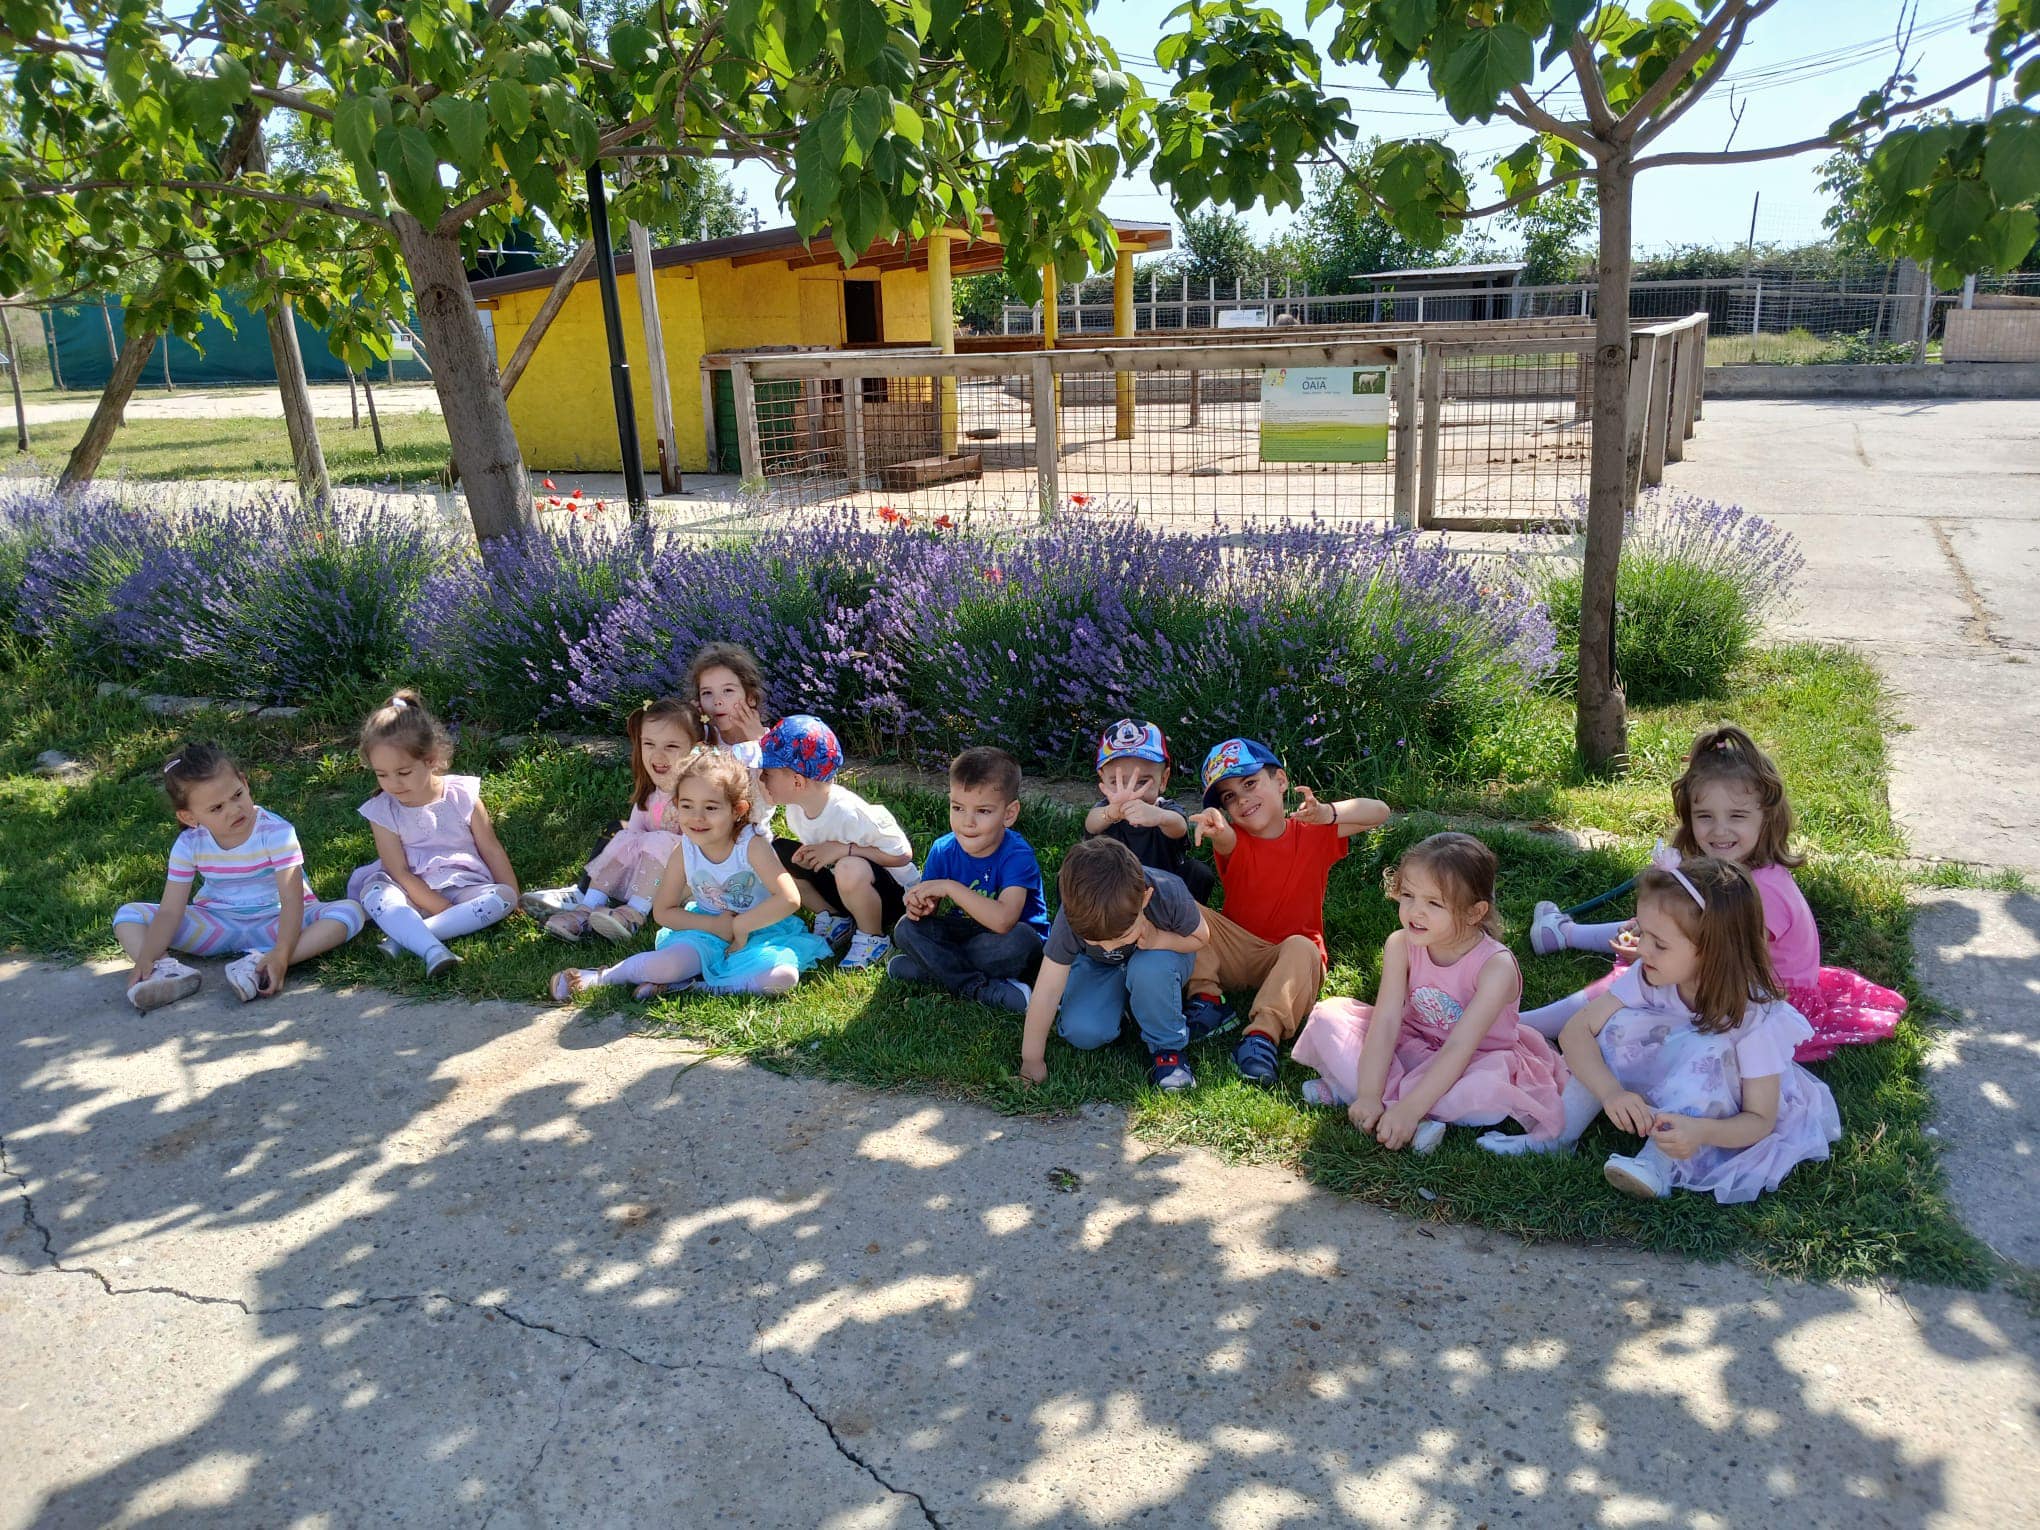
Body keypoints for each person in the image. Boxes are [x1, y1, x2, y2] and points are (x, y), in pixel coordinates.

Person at [1523, 725, 1906, 1061]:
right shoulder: (1731, 871)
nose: (1719, 831)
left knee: (1643, 975)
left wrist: (1649, 953)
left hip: (1757, 1004)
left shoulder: (1763, 892)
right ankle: (1565, 934)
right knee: (1663, 926)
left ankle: (1532, 1024)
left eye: (1737, 816)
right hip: (1737, 979)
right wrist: (1650, 938)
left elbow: (1723, 966)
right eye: (1705, 816)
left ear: (1766, 817)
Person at [1483, 855, 1843, 1203]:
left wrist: (1700, 1131)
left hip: (1719, 1101)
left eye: (1659, 943)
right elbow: (1576, 1031)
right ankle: (1557, 1135)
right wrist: (1611, 1093)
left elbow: (1759, 1120)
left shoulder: (1754, 1016)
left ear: (1713, 950)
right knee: (1617, 1026)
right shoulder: (1649, 975)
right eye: (1643, 934)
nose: (1642, 949)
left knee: (1708, 1051)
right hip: (1672, 1063)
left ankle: (1657, 1163)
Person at [1292, 833, 1568, 1153]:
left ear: (1474, 912)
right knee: (1328, 1016)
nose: (1415, 911)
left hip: (1475, 1059)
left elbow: (1460, 1048)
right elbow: (1386, 1023)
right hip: (1411, 1043)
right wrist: (1368, 1093)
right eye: (1408, 895)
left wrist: (1409, 1110)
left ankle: (1371, 1098)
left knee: (1486, 1094)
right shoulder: (1401, 944)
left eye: (1433, 903)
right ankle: (1381, 1102)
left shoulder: (1496, 967)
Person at [550, 746, 832, 1001]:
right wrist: (715, 926)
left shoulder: (752, 845)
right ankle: (599, 977)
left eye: (711, 807)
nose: (698, 817)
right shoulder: (685, 850)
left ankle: (695, 987)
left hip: (761, 932)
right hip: (705, 931)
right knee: (667, 965)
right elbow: (663, 911)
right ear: (676, 806)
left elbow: (789, 899)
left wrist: (741, 926)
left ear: (737, 810)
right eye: (687, 806)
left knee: (782, 977)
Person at [1186, 738, 1391, 1086]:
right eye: (1229, 797)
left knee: (1303, 946)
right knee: (1186, 908)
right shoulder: (1234, 839)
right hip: (1239, 952)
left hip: (1292, 960)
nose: (1242, 799)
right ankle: (1207, 1000)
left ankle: (1261, 1037)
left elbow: (1379, 812)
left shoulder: (1314, 833)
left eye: (1250, 783)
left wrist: (1328, 813)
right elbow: (1225, 838)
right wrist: (1218, 829)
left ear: (1280, 781)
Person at [114, 740, 364, 1010]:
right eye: (216, 808)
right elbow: (170, 912)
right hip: (217, 926)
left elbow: (292, 901)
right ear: (189, 817)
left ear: (245, 783)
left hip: (279, 923)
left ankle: (265, 963)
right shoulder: (189, 843)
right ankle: (163, 971)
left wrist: (282, 951)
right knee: (129, 915)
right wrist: (147, 955)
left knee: (349, 912)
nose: (234, 809)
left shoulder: (277, 832)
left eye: (237, 795)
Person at [347, 691, 520, 977]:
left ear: (430, 759)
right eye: (382, 774)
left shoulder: (461, 794)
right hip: (408, 891)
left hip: (463, 886)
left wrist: (514, 896)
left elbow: (491, 849)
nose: (393, 784)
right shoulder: (383, 810)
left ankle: (405, 937)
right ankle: (431, 948)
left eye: (403, 772)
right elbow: (399, 871)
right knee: (375, 893)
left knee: (502, 897)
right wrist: (440, 906)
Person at [1018, 838, 1212, 1091]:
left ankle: (1167, 1049)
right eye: (1096, 940)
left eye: (1121, 936)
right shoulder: (1076, 912)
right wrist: (1031, 1060)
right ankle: (1126, 1008)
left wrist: (1159, 939)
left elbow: (1201, 937)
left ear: (1145, 898)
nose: (1109, 947)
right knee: (1082, 1032)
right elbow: (1047, 989)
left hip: (1157, 959)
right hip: (1099, 967)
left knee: (1149, 970)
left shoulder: (1168, 891)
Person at [887, 746, 1048, 1013]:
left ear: (1009, 813)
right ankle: (981, 988)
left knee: (1019, 941)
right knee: (906, 928)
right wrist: (920, 907)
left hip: (1008, 939)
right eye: (958, 808)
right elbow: (930, 910)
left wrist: (950, 887)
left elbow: (1004, 920)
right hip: (964, 931)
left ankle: (929, 969)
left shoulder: (1017, 854)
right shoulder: (943, 849)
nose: (967, 822)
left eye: (983, 811)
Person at [527, 697, 700, 942]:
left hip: (686, 884)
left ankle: (633, 915)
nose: (658, 755)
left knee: (660, 840)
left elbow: (701, 848)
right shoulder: (650, 796)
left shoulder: (696, 797)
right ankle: (586, 909)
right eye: (649, 744)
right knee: (625, 837)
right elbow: (632, 842)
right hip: (647, 881)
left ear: (695, 751)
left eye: (671, 746)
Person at [758, 714, 919, 971]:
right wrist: (810, 856)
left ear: (797, 781)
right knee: (775, 854)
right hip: (848, 886)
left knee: (848, 866)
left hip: (894, 897)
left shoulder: (849, 812)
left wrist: (843, 850)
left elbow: (902, 855)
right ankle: (835, 918)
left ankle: (873, 937)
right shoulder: (795, 810)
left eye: (767, 773)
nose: (761, 779)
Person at [1083, 718, 1214, 903]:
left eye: (1143, 782)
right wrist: (1112, 812)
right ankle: (1077, 919)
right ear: (1102, 779)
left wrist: (1159, 817)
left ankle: (1189, 919)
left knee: (1198, 872)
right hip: (1112, 893)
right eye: (1117, 782)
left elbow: (1179, 827)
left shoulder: (1164, 809)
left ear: (1163, 780)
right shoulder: (1106, 809)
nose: (1131, 793)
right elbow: (1091, 824)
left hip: (1164, 894)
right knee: (1072, 873)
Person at [689, 642, 771, 766]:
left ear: (751, 697)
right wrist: (689, 727)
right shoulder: (700, 742)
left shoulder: (774, 744)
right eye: (707, 693)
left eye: (728, 690)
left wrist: (759, 742)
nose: (717, 701)